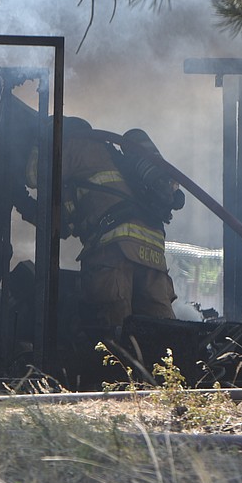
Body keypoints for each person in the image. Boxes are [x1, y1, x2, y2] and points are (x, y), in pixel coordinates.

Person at [24, 117, 181, 335]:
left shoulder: (74, 144)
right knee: (161, 339)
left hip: (114, 250)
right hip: (154, 254)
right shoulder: (113, 157)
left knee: (112, 333)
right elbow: (64, 224)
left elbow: (33, 175)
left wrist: (36, 144)